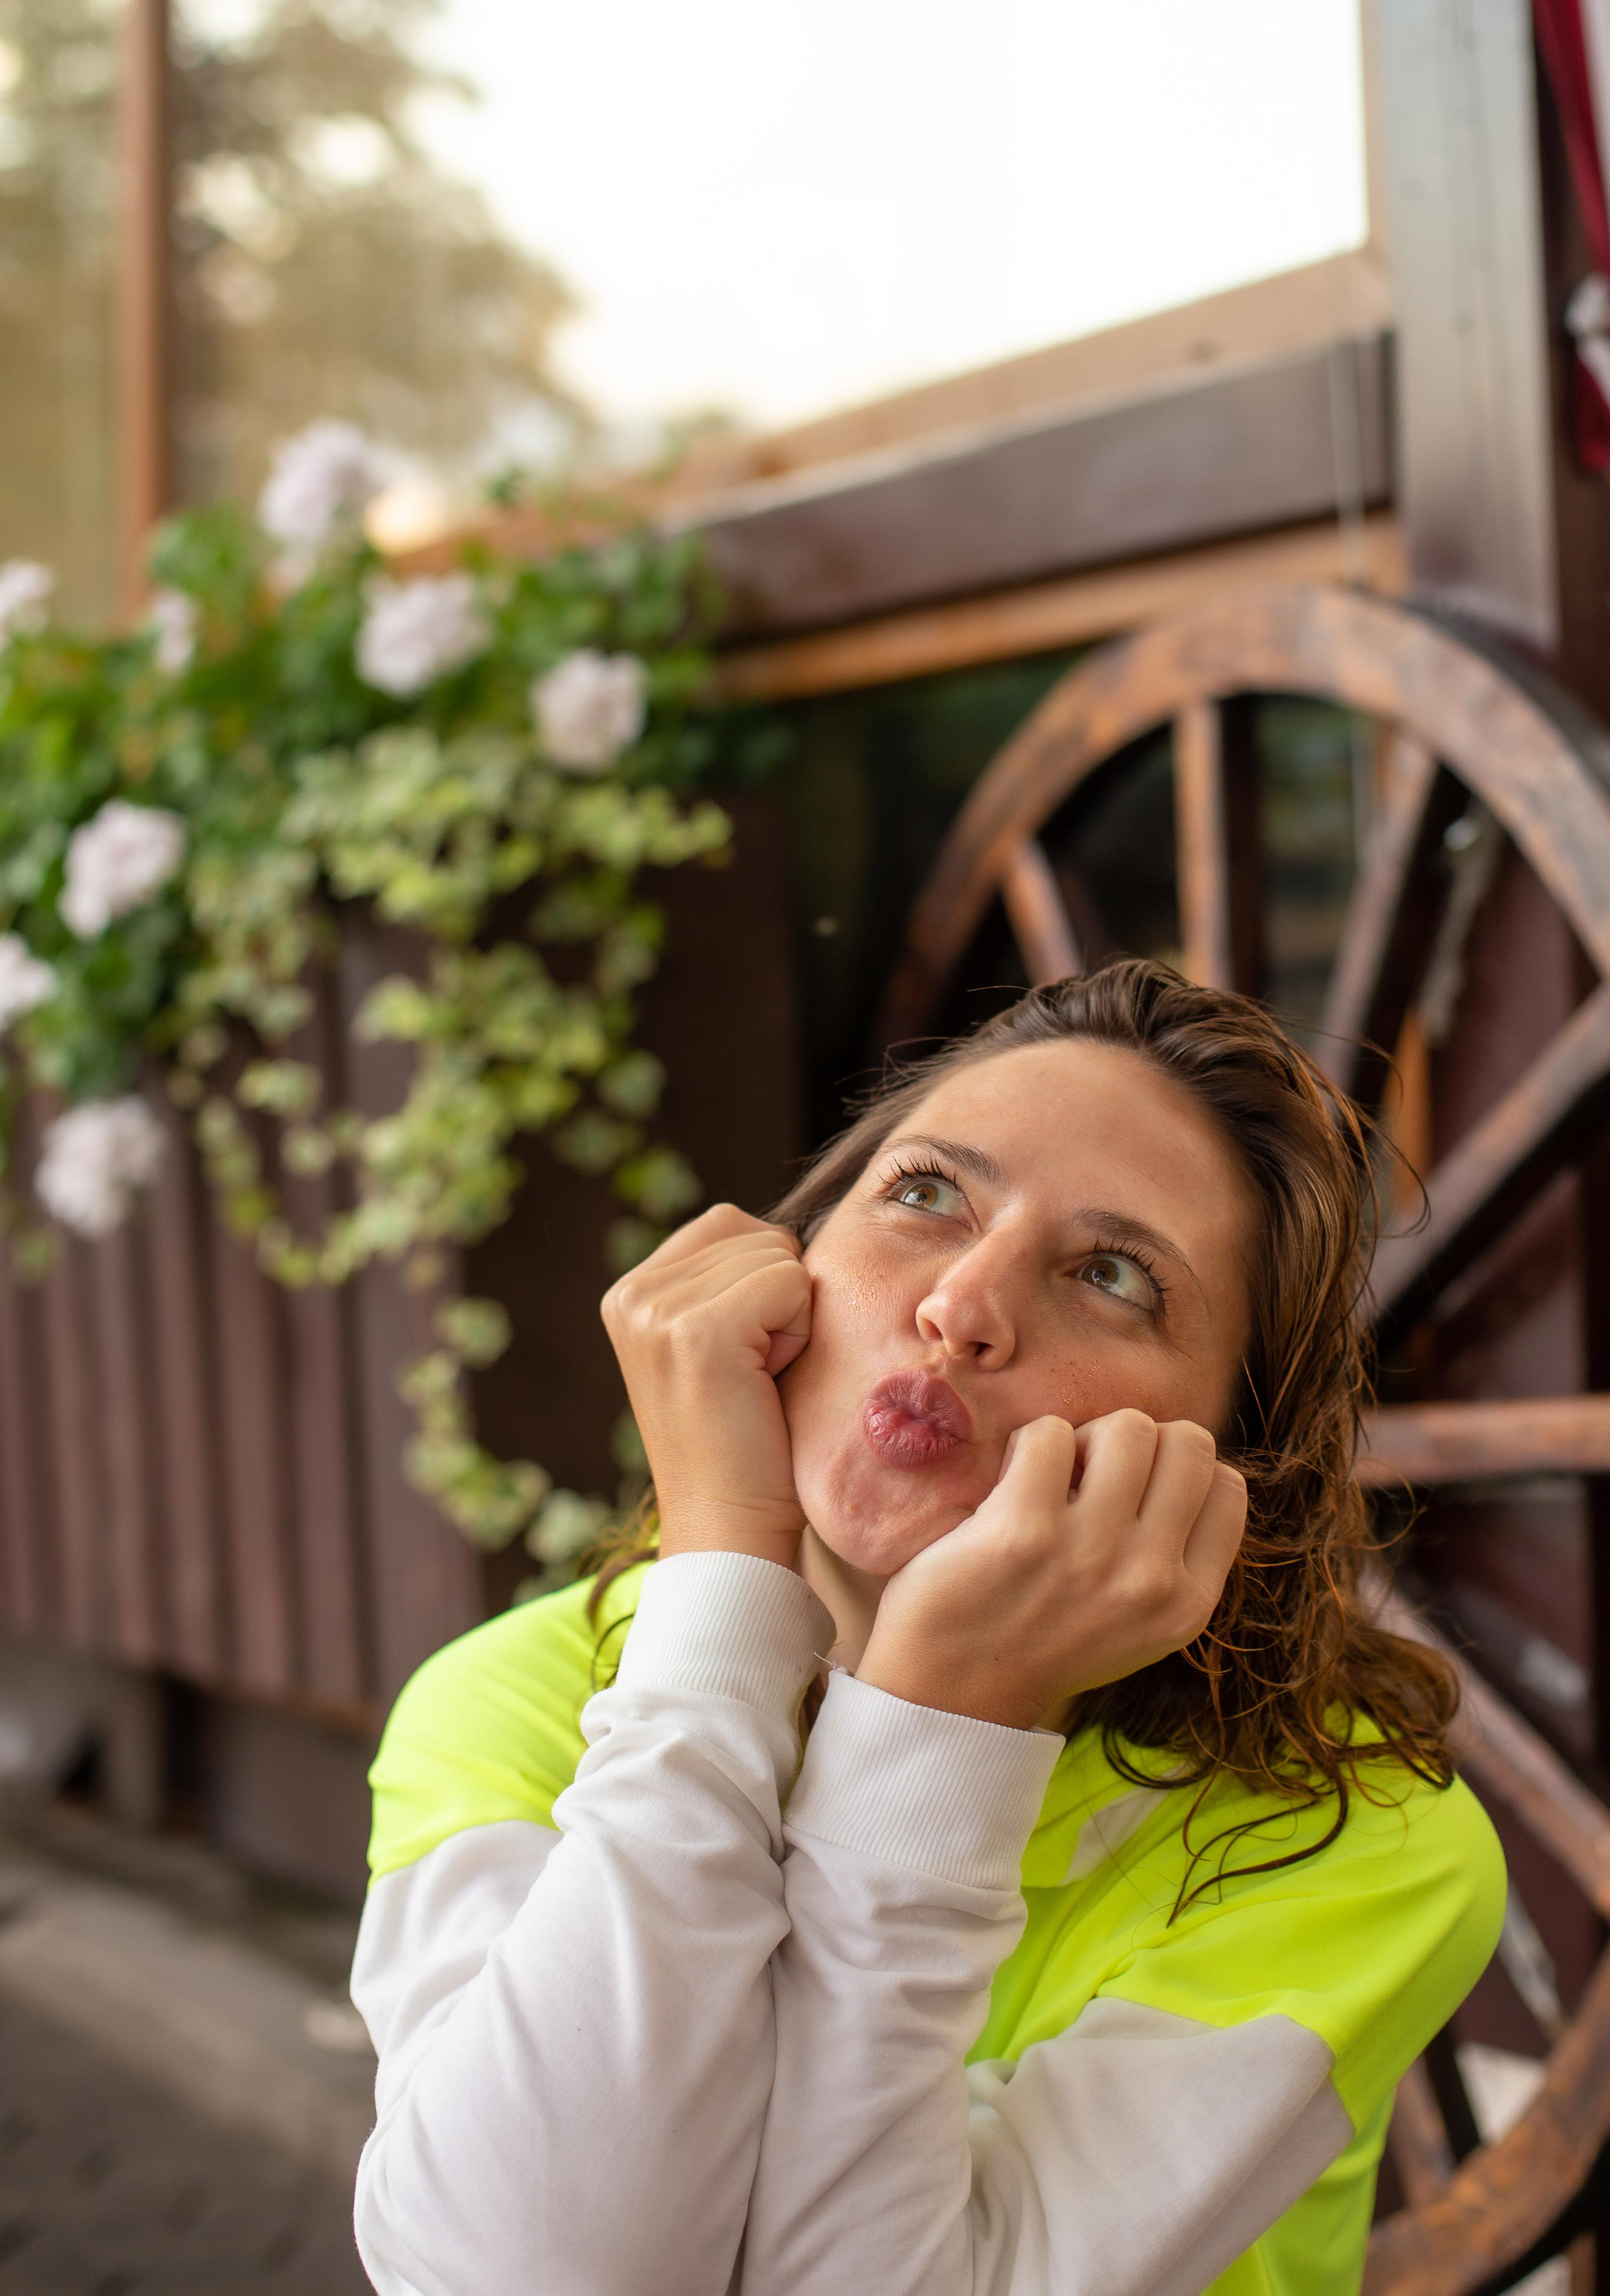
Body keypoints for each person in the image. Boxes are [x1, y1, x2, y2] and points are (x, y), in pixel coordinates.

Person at [350, 958, 1505, 2296]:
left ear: (1218, 1465)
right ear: (785, 1259)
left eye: (1116, 1276)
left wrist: (944, 1718)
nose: (960, 1308)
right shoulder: (506, 1699)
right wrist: (724, 1560)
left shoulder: (1356, 1842)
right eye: (924, 1193)